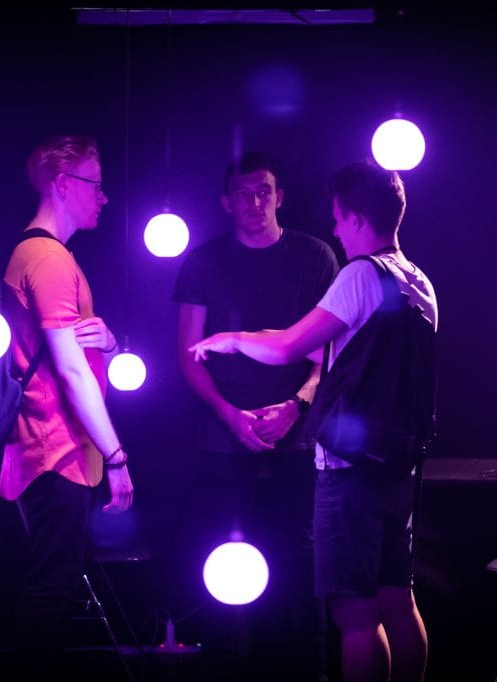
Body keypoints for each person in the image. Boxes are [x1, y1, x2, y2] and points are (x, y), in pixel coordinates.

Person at [190, 160, 437, 682]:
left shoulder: (360, 274)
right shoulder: (419, 282)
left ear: (353, 217)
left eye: (338, 219)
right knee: (399, 601)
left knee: (354, 616)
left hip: (351, 470)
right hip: (398, 467)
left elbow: (287, 348)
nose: (333, 229)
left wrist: (230, 339)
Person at [173, 152, 339, 680]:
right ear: (226, 202)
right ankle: (224, 664)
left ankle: (306, 669)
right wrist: (230, 416)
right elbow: (188, 354)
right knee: (221, 551)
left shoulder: (315, 256)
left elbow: (330, 351)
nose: (255, 202)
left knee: (300, 553)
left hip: (299, 433)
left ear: (280, 195)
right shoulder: (202, 262)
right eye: (243, 194)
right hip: (225, 435)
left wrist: (297, 405)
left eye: (264, 191)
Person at [0, 135, 133, 677]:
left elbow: (76, 356)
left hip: (54, 448)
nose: (104, 197)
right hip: (54, 449)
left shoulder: (48, 257)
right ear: (62, 185)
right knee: (50, 591)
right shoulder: (48, 258)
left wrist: (111, 343)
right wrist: (118, 458)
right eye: (95, 185)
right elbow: (71, 371)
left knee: (52, 588)